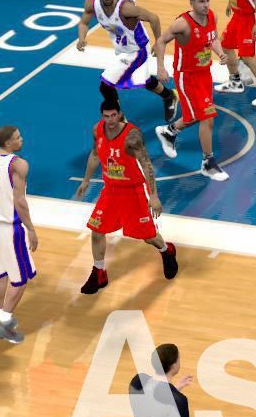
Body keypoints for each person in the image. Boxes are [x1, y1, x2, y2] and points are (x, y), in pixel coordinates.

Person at [74, 99, 178, 294]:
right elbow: (95, 154)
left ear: (120, 114)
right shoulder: (97, 130)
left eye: (114, 115)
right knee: (96, 230)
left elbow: (147, 165)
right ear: (102, 116)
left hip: (133, 192)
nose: (110, 120)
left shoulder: (132, 136)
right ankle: (99, 272)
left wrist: (153, 196)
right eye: (106, 116)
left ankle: (167, 250)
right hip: (110, 190)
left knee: (148, 236)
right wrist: (86, 180)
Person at [154, 0, 229, 181]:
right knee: (207, 117)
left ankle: (169, 131)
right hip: (187, 77)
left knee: (196, 115)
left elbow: (213, 38)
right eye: (201, 1)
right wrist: (160, 68)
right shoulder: (182, 24)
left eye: (207, 0)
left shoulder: (212, 16)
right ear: (192, 4)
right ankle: (208, 163)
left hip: (204, 73)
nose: (206, 5)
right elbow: (161, 42)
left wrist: (220, 53)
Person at [77, 0, 178, 120]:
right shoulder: (92, 3)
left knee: (106, 85)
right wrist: (82, 38)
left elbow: (154, 18)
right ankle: (169, 96)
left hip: (137, 50)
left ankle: (119, 119)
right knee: (141, 79)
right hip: (122, 49)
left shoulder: (126, 8)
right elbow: (83, 23)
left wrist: (158, 42)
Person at [0, 125, 38, 344]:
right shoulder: (18, 164)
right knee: (21, 279)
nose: (22, 139)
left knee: (0, 274)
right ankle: (2, 322)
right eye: (18, 137)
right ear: (9, 142)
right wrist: (31, 228)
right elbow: (20, 201)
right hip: (8, 229)